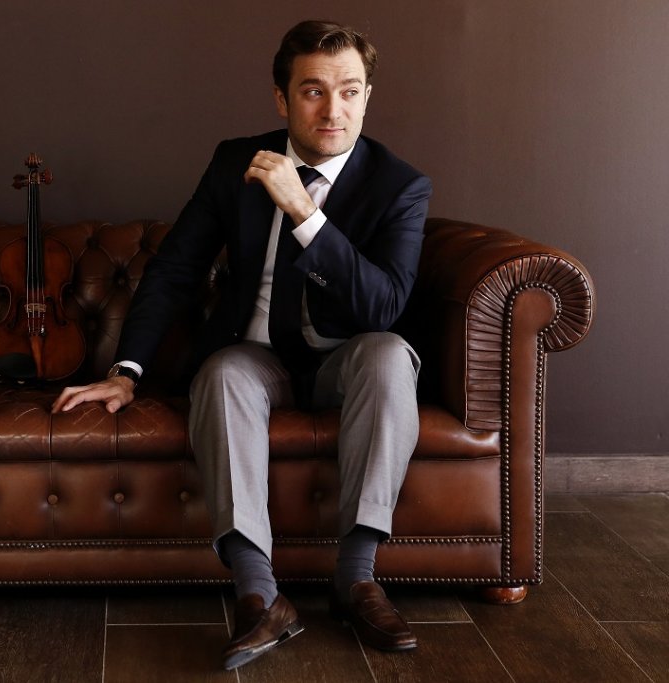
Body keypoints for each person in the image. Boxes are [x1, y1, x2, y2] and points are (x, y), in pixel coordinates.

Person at [52, 19, 431, 670]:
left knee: (390, 352)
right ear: (282, 100)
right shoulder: (236, 162)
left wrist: (305, 215)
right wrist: (126, 370)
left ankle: (357, 576)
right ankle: (259, 596)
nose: (333, 108)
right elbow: (176, 268)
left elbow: (381, 307)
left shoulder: (400, 185)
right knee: (223, 373)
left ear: (368, 96)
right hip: (254, 357)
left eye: (349, 90)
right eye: (313, 90)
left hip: (348, 359)